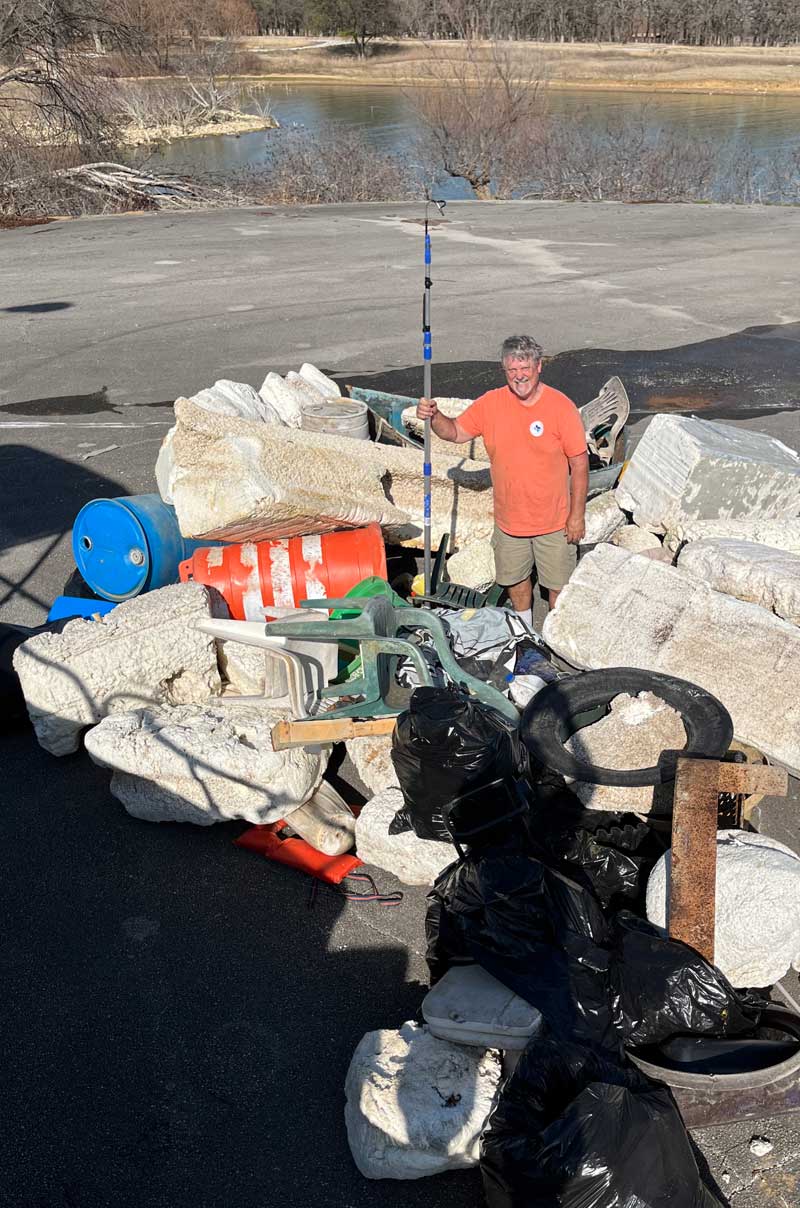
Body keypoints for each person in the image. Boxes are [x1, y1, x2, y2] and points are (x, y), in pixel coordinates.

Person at [416, 334, 588, 627]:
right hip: (510, 523)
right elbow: (455, 432)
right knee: (516, 583)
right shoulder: (491, 404)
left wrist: (577, 516)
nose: (519, 376)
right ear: (504, 370)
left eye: (525, 368)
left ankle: (554, 639)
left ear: (538, 367)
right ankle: (523, 633)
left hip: (555, 522)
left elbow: (580, 463)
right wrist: (434, 417)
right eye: (512, 370)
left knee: (558, 586)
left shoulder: (561, 407)